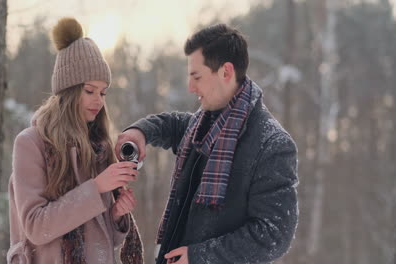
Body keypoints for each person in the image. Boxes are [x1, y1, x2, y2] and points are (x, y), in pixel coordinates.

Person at [116, 24, 298, 264]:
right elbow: (174, 124)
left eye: (197, 77)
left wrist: (199, 256)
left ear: (226, 72)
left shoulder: (272, 145)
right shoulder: (204, 125)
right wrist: (140, 131)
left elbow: (274, 234)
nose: (191, 88)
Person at [7, 17, 143, 264]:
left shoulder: (97, 148)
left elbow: (103, 243)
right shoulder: (30, 144)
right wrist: (97, 187)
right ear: (68, 92)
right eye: (89, 91)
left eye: (103, 93)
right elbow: (36, 227)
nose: (99, 100)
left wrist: (115, 214)